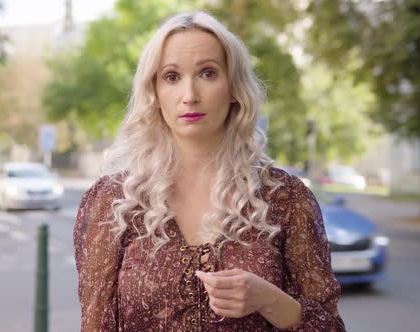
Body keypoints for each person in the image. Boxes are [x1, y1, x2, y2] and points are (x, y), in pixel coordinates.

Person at [74, 11, 346, 332]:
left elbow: (330, 327)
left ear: (233, 88)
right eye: (172, 77)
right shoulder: (112, 202)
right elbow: (94, 324)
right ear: (155, 92)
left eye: (207, 73)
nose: (189, 95)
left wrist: (270, 300)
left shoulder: (286, 199)